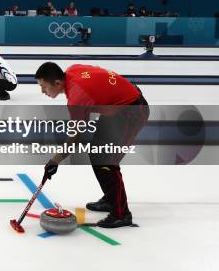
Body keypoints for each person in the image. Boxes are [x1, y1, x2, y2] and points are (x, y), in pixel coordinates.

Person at [35, 62, 149, 228]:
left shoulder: (77, 98)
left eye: (43, 87)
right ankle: (111, 199)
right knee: (97, 153)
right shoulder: (72, 70)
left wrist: (55, 160)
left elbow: (76, 136)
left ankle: (121, 214)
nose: (42, 91)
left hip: (132, 110)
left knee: (108, 161)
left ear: (57, 83)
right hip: (117, 107)